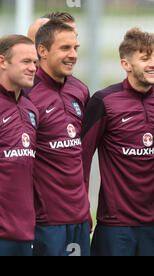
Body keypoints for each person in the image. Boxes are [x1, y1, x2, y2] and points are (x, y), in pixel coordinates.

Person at [81, 27, 154, 256]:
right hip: (116, 224)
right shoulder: (104, 101)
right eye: (145, 58)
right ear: (126, 65)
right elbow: (82, 160)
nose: (153, 64)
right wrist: (81, 210)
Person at [25, 20, 91, 256]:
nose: (73, 55)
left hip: (80, 217)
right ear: (42, 51)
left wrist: (85, 209)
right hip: (45, 221)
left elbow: (81, 154)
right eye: (65, 48)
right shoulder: (25, 93)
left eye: (75, 48)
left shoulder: (80, 90)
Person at [0, 34, 39, 256]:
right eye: (26, 62)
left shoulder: (30, 109)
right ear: (3, 62)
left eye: (34, 62)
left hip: (25, 233)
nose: (33, 68)